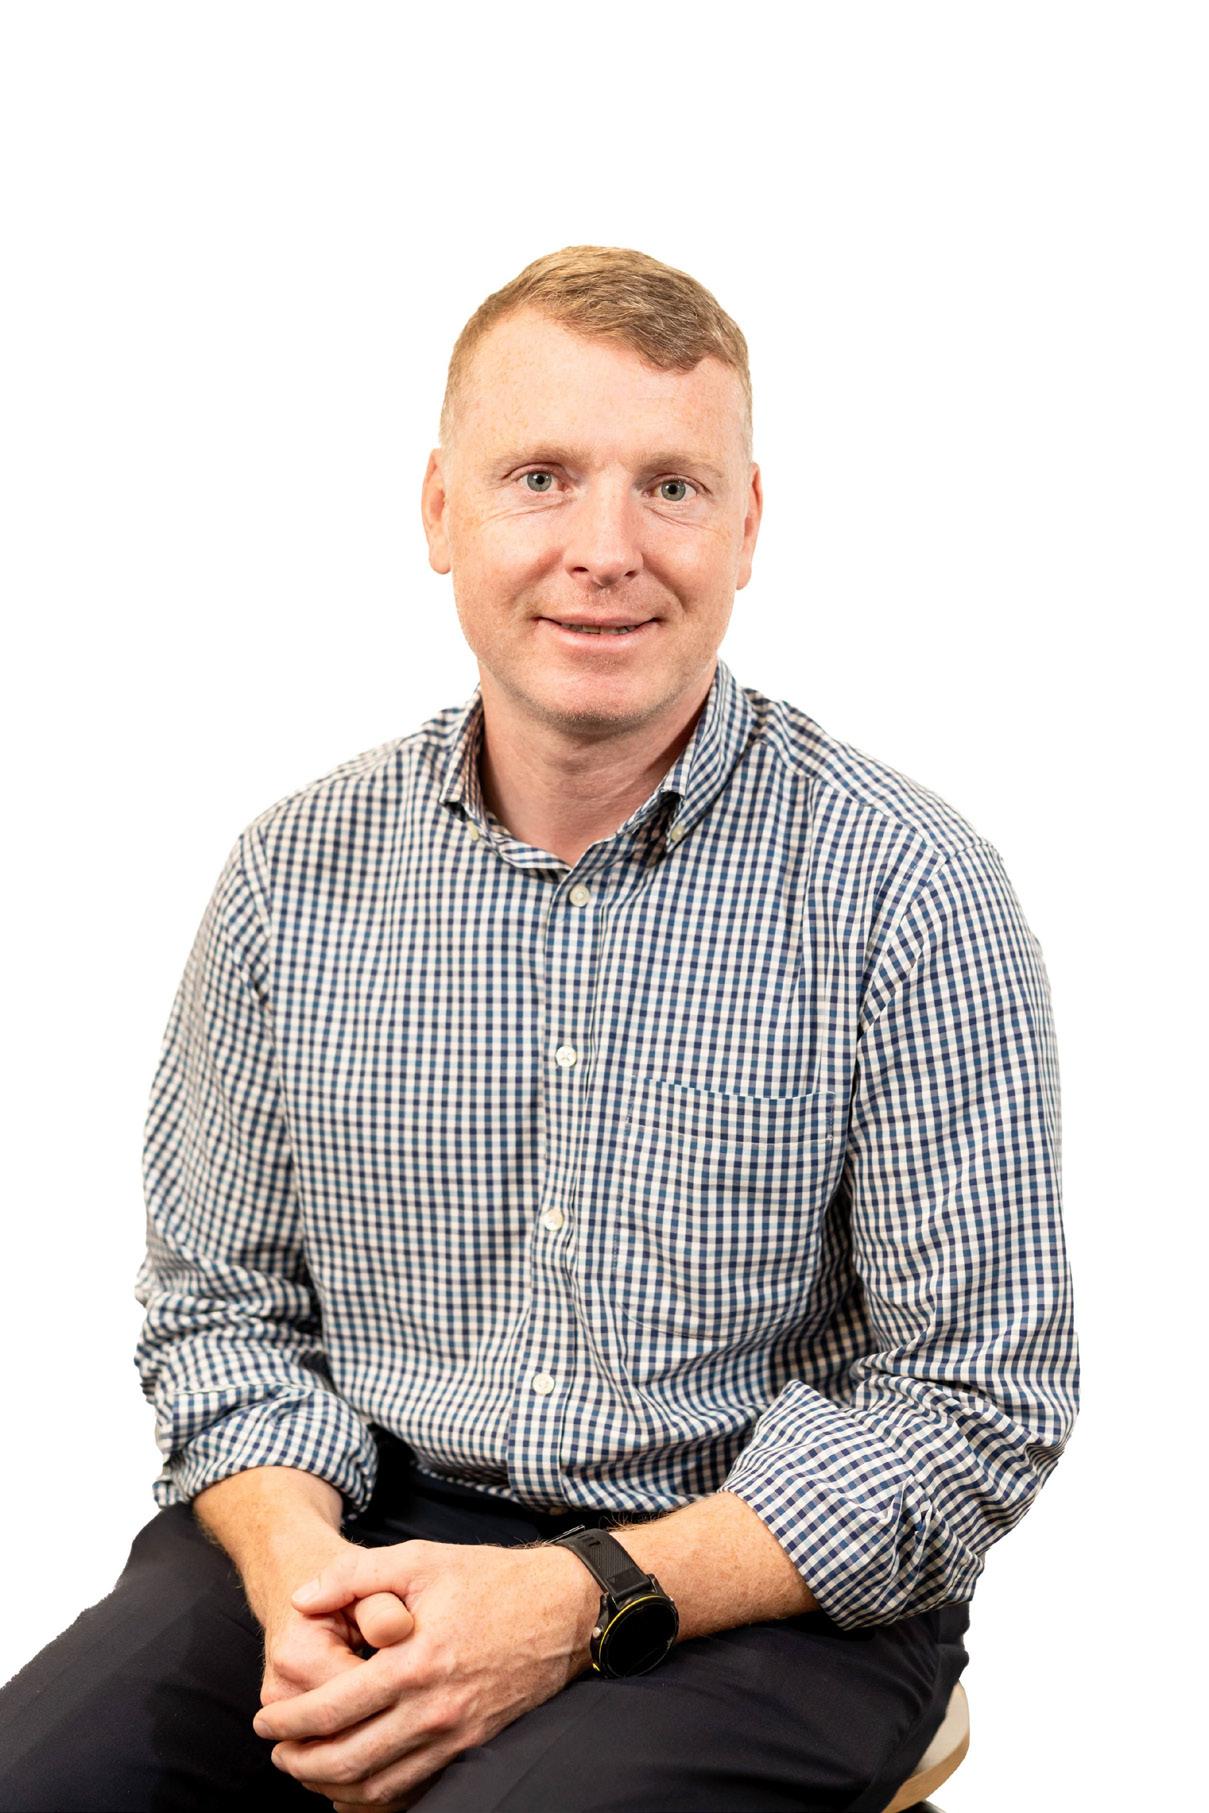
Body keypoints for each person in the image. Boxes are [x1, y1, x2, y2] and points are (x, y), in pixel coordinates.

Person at [0, 244, 1079, 1812]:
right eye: (541, 478)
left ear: (747, 526)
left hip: (755, 1580)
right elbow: (219, 1306)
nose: (604, 549)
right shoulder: (293, 874)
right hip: (358, 1517)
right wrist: (300, 1572)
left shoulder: (909, 893)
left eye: (671, 488)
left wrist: (577, 1598)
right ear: (440, 510)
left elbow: (975, 1398)